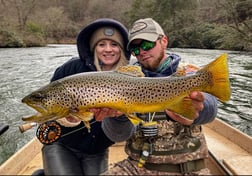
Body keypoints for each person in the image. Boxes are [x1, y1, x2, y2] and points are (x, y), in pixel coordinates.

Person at [102, 18, 218, 175]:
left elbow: (211, 108)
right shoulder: (125, 80)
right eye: (135, 49)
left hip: (189, 169)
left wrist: (197, 111)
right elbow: (118, 135)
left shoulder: (189, 73)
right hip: (136, 168)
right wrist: (117, 116)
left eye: (147, 44)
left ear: (164, 41)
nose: (142, 52)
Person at [36, 18, 135, 175]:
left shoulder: (131, 80)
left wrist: (118, 116)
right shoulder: (71, 68)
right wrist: (66, 119)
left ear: (122, 49)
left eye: (114, 44)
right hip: (61, 144)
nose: (108, 49)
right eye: (102, 44)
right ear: (94, 48)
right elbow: (47, 107)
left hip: (97, 150)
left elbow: (121, 135)